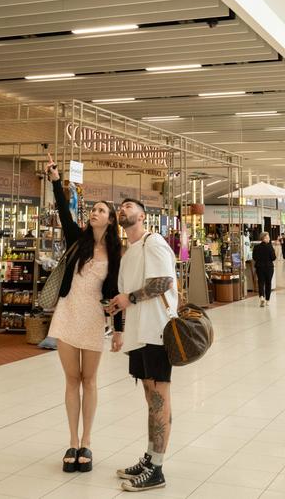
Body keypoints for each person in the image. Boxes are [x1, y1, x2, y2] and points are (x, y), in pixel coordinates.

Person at [45, 155, 123, 474]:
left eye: (101, 210)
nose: (94, 212)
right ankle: (72, 440)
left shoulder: (116, 252)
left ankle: (87, 442)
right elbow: (64, 211)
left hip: (93, 318)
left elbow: (116, 292)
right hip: (68, 312)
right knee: (71, 379)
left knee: (89, 380)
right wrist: (54, 179)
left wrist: (118, 329)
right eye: (93, 209)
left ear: (111, 219)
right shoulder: (78, 240)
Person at [108, 198, 178, 493]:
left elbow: (163, 282)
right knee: (150, 397)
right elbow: (123, 294)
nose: (122, 209)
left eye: (128, 206)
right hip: (139, 333)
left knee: (159, 397)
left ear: (142, 215)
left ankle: (157, 469)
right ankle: (149, 458)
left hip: (158, 330)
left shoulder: (155, 241)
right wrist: (118, 328)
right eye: (120, 207)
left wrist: (130, 299)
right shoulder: (128, 252)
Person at [252, 232, 276, 306]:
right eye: (268, 237)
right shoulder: (270, 247)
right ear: (264, 238)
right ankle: (267, 300)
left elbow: (254, 257)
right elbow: (273, 258)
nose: (269, 239)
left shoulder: (256, 247)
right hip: (269, 267)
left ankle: (261, 297)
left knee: (261, 282)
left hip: (259, 267)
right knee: (268, 283)